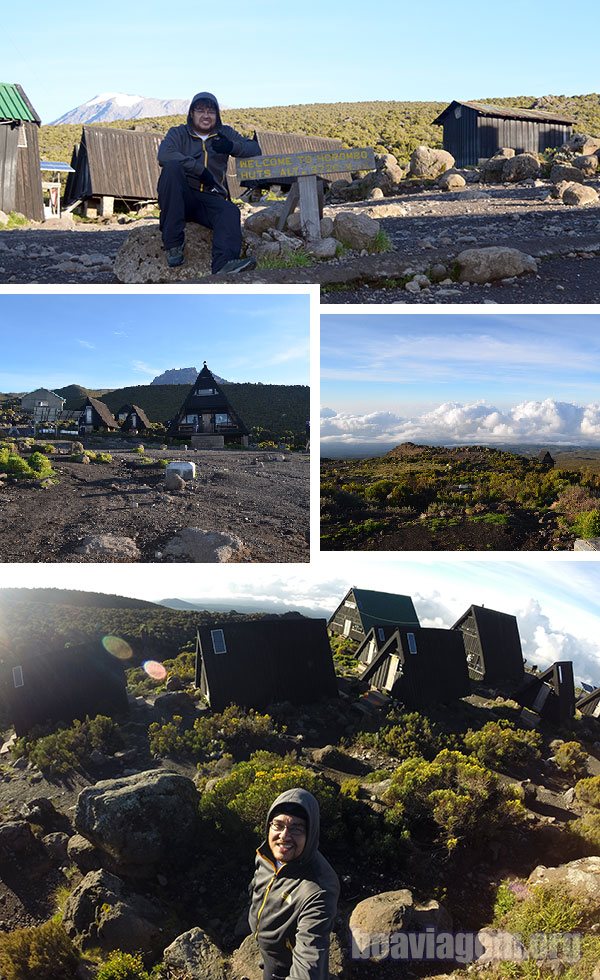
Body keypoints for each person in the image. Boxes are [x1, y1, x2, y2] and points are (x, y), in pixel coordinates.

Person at [157, 91, 261, 273]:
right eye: (200, 110)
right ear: (191, 113)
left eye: (211, 111)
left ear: (217, 115)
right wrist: (199, 169)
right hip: (182, 196)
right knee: (172, 168)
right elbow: (164, 155)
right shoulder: (178, 133)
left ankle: (224, 265)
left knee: (230, 211)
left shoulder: (224, 133)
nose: (206, 115)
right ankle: (173, 245)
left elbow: (254, 148)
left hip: (211, 198)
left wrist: (231, 146)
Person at [249, 788, 340, 980]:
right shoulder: (266, 855)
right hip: (269, 954)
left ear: (311, 833)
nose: (284, 835)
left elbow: (308, 963)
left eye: (296, 828)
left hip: (286, 968)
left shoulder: (318, 889)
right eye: (278, 825)